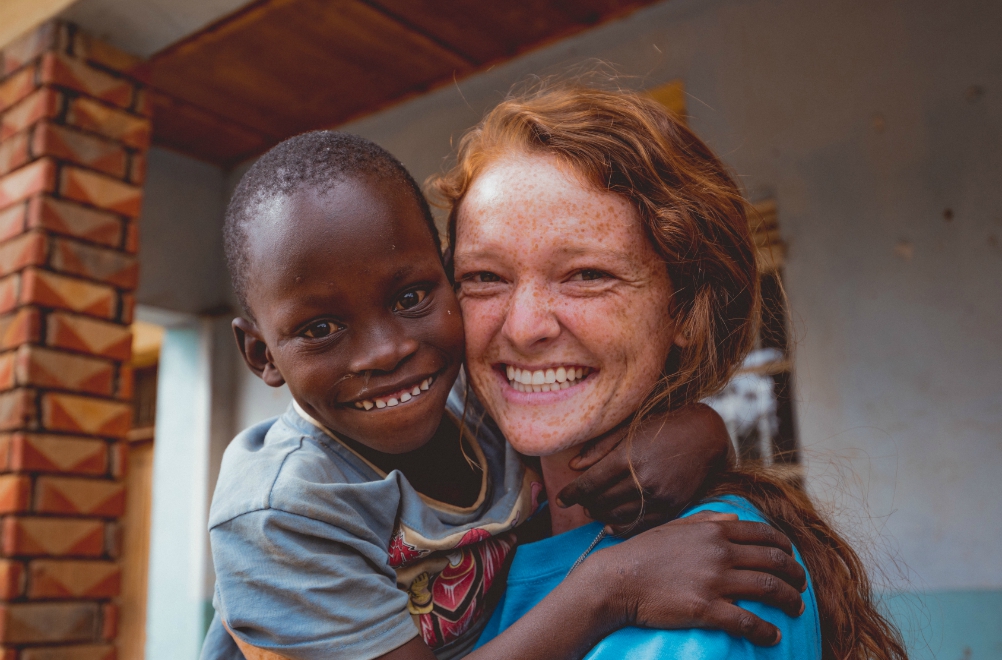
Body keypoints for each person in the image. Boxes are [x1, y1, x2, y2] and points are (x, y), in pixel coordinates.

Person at [200, 131, 810, 660]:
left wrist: (702, 426)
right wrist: (609, 589)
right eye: (320, 329)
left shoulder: (475, 414)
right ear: (260, 355)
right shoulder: (285, 511)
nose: (385, 351)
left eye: (410, 298)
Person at [432, 81, 908, 659]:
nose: (523, 326)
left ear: (686, 307)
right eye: (484, 277)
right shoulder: (468, 544)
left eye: (588, 274)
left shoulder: (711, 584)